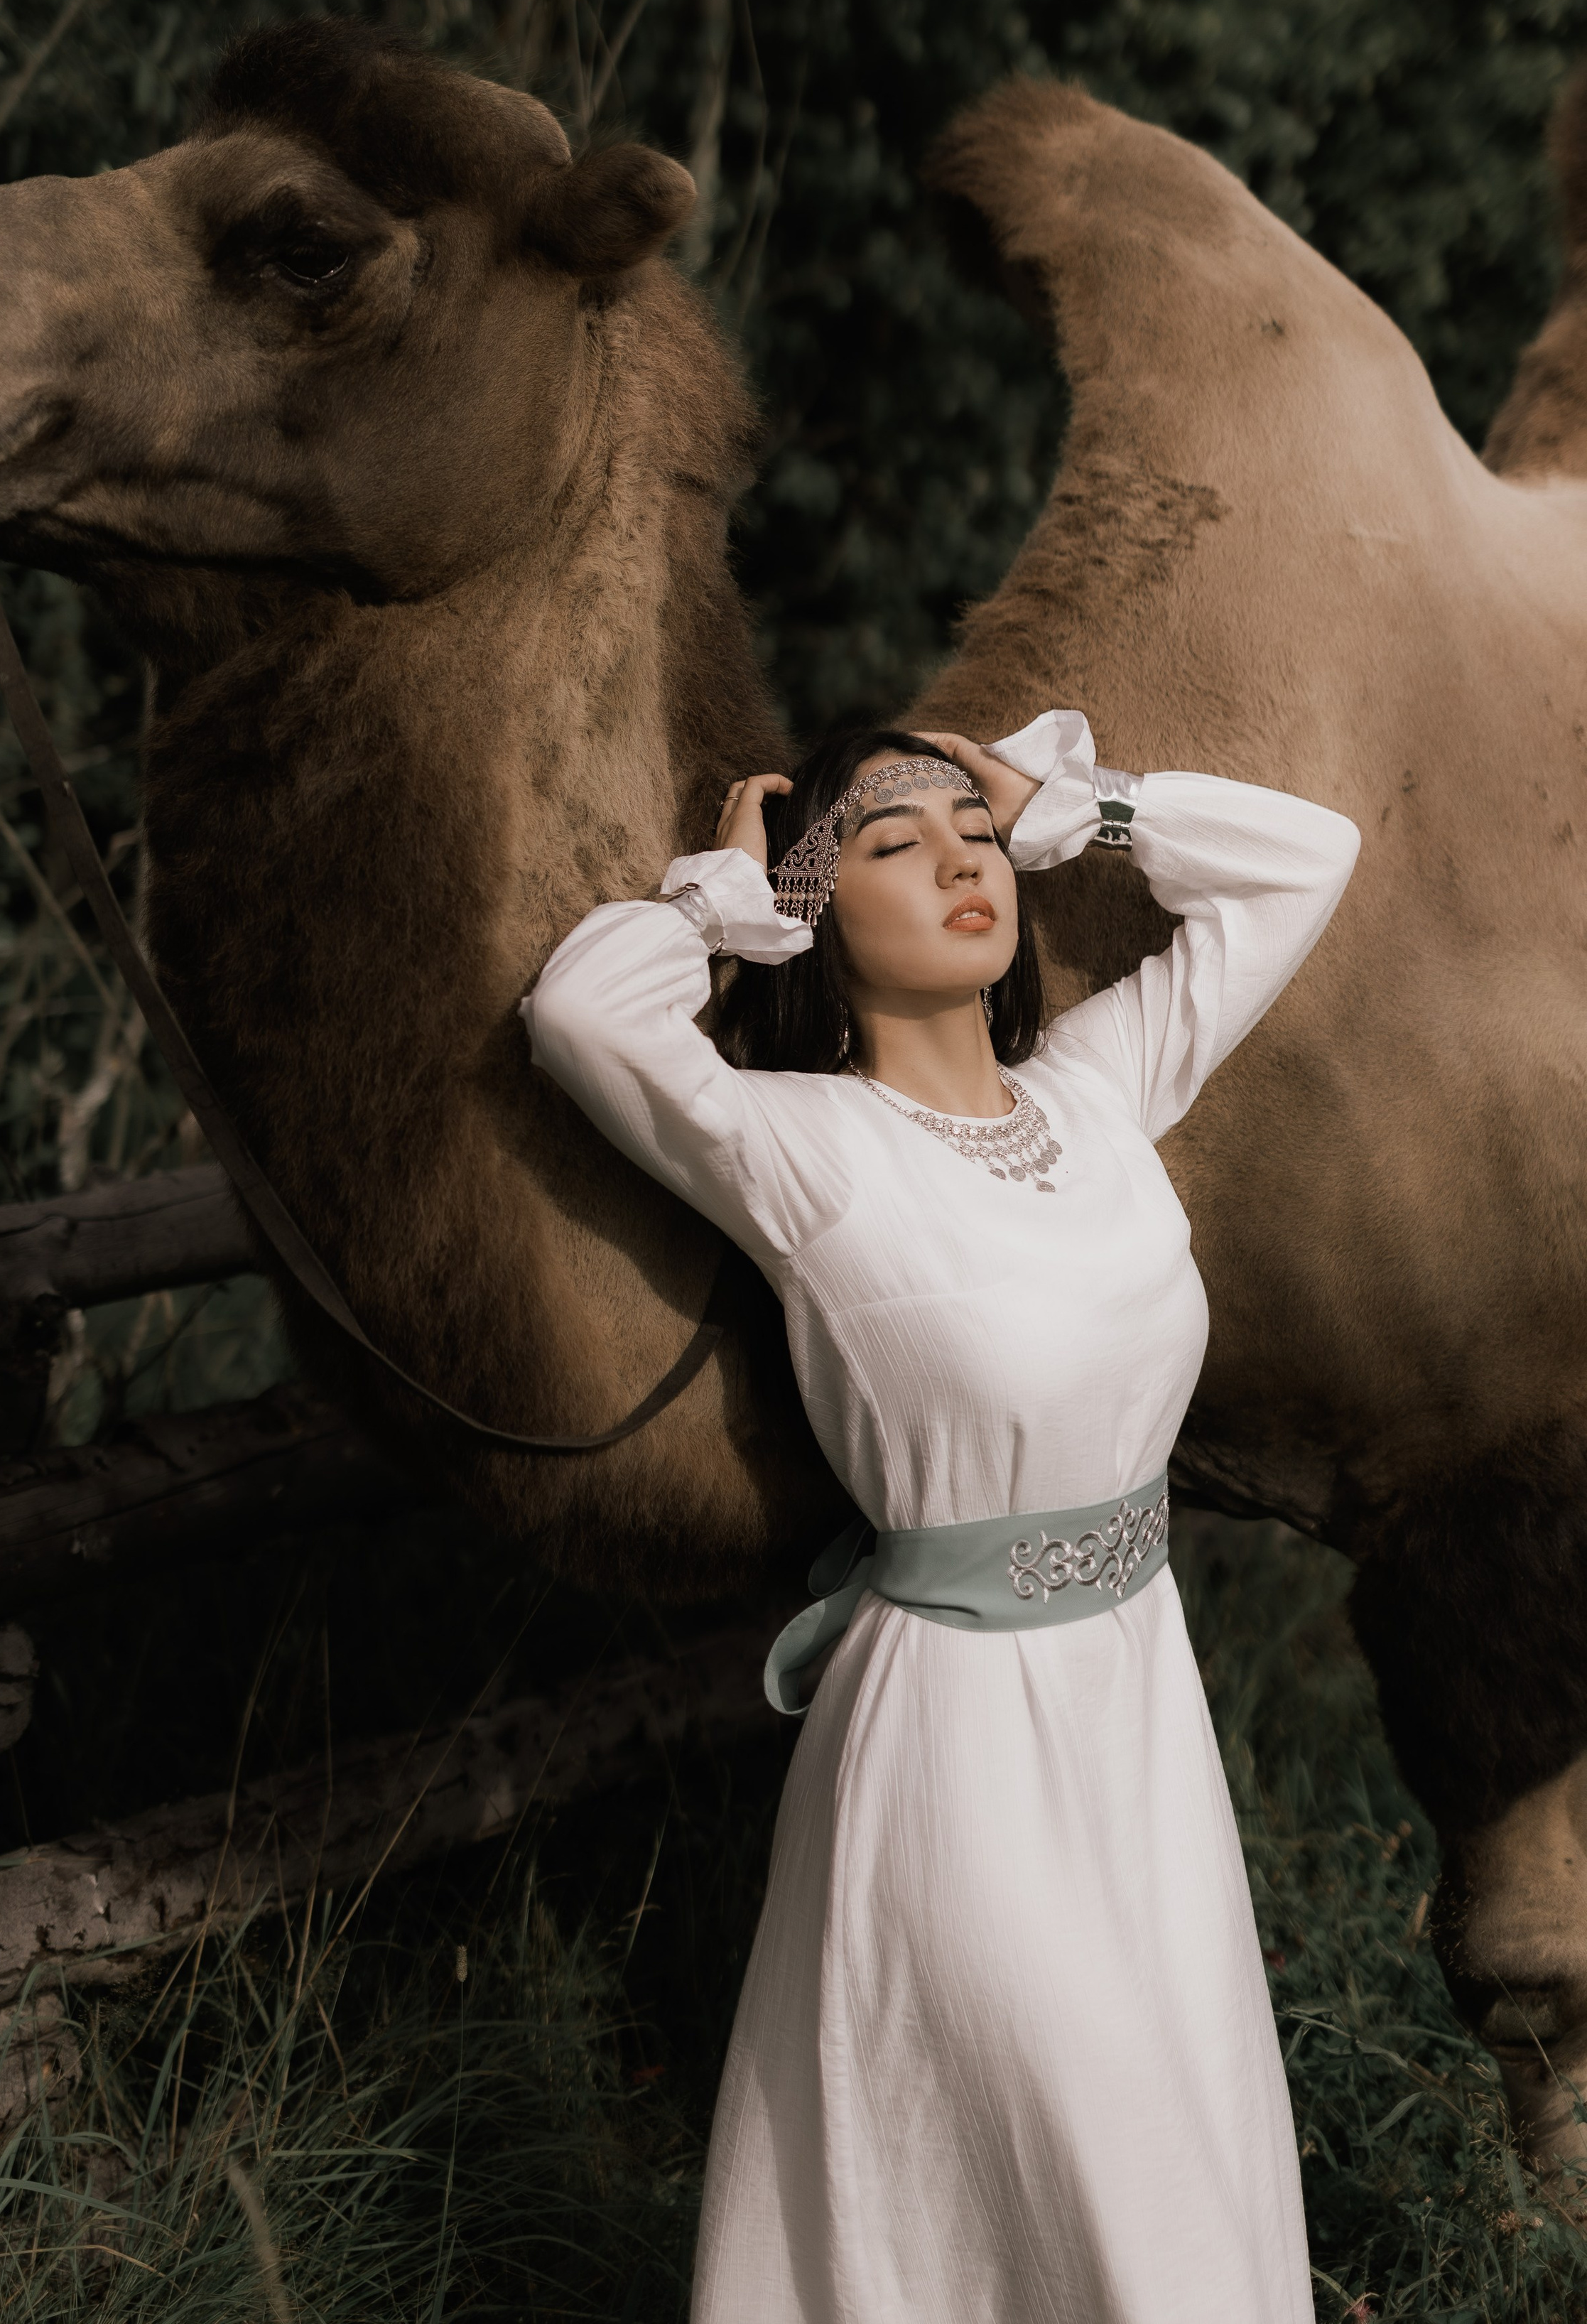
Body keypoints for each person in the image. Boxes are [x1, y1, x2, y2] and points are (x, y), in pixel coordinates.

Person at [520, 708, 1360, 2324]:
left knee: (1183, 2130)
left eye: (971, 835)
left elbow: (1302, 860)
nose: (959, 860)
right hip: (955, 1734)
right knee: (1086, 2157)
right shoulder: (801, 1151)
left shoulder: (1102, 1089)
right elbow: (578, 1012)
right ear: (818, 920)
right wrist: (722, 900)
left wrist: (1079, 809)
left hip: (1140, 1700)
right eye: (890, 847)